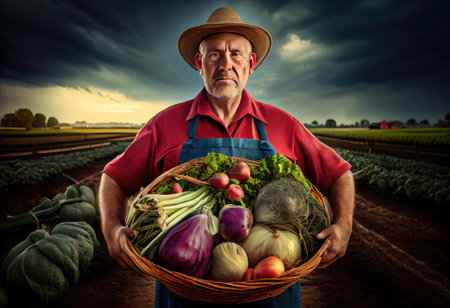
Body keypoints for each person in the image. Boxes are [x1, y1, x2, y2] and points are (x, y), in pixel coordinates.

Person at [99, 7, 355, 308]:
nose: (225, 64)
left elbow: (339, 174)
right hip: (185, 295)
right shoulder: (164, 125)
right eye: (214, 55)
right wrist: (111, 228)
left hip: (270, 296)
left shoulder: (283, 124)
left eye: (235, 54)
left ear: (251, 63)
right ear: (199, 63)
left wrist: (344, 224)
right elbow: (113, 178)